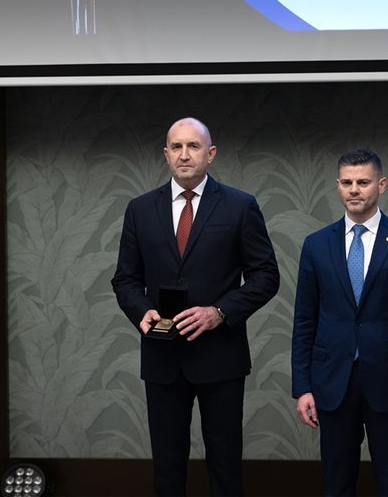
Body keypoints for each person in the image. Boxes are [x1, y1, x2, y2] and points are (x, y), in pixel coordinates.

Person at [111, 117, 280, 496]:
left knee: (225, 465)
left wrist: (219, 312)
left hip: (220, 356)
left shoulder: (240, 206)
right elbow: (125, 279)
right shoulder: (140, 209)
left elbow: (266, 276)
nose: (184, 154)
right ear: (166, 154)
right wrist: (141, 311)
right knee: (167, 468)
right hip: (162, 356)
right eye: (176, 147)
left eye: (193, 146)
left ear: (211, 153)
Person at [291, 149, 388, 496]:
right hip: (333, 382)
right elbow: (305, 320)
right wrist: (303, 387)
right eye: (347, 182)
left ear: (381, 185)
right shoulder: (316, 245)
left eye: (363, 182)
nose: (354, 190)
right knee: (337, 482)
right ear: (338, 186)